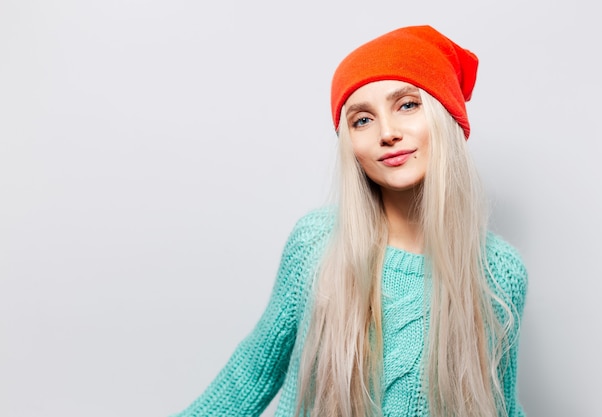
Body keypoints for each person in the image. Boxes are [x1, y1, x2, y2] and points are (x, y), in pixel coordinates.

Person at [171, 25, 528, 417]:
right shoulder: (317, 244)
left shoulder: (500, 272)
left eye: (407, 105)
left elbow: (501, 405)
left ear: (446, 118)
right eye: (362, 120)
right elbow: (249, 376)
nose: (387, 133)